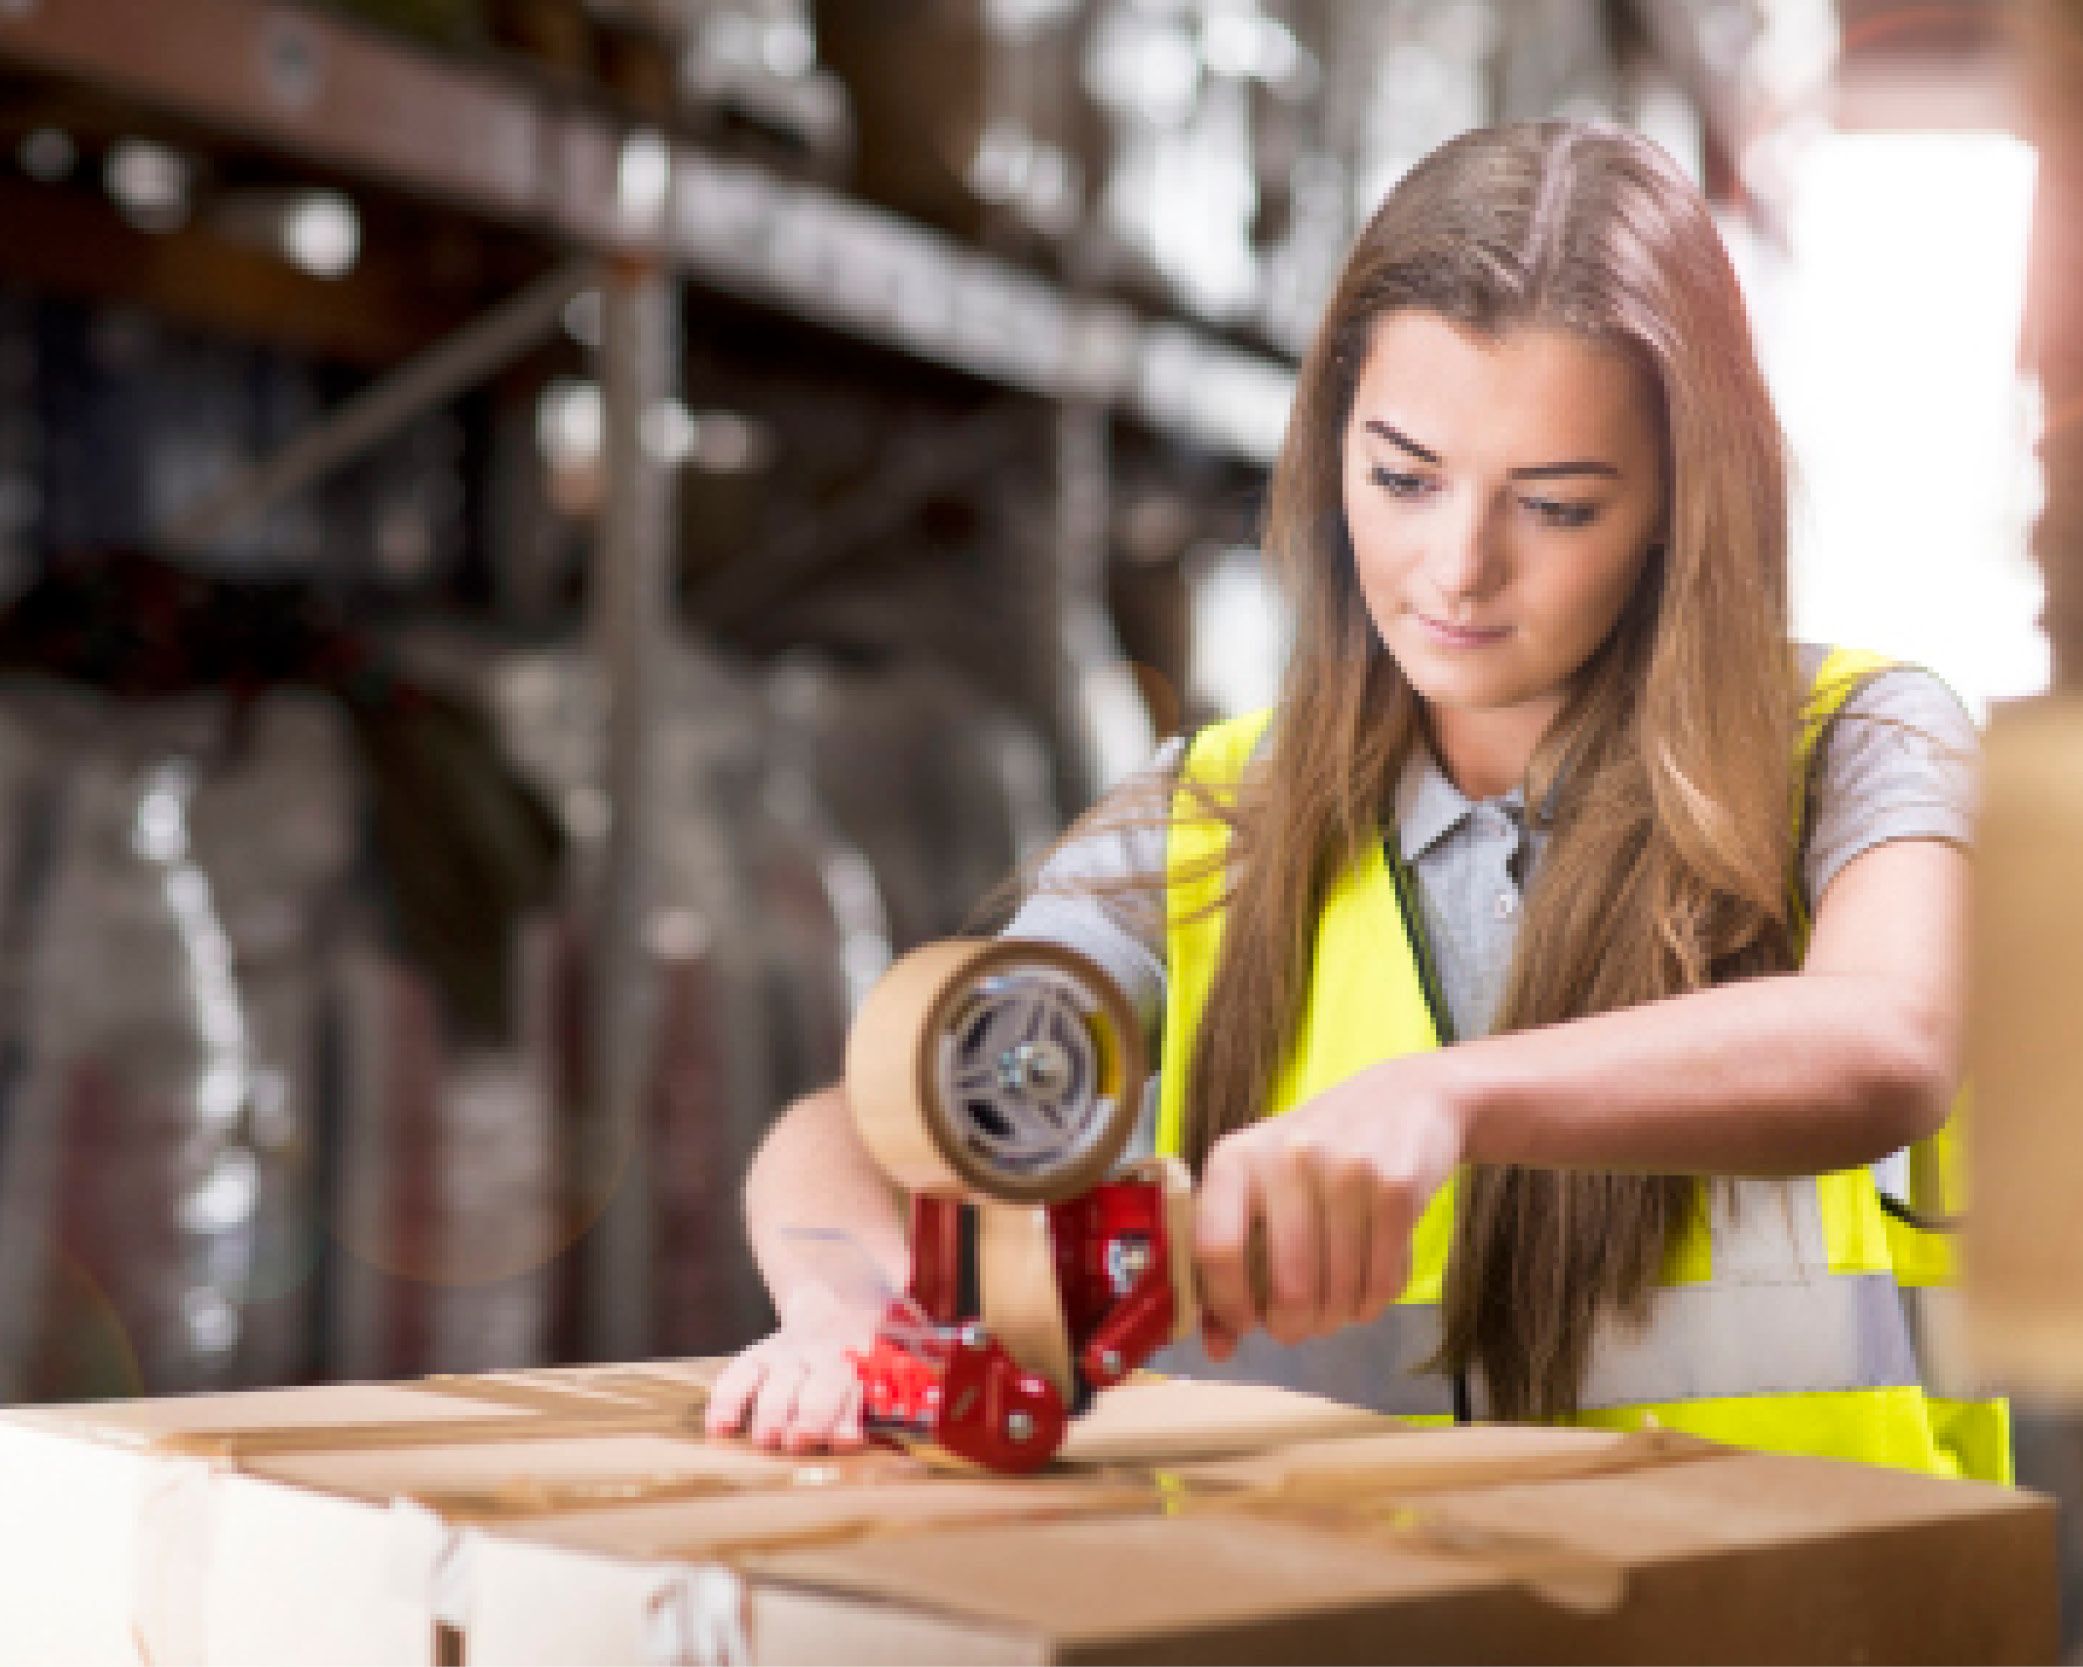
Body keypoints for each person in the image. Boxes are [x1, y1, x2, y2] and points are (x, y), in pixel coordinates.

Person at [704, 118, 2007, 1482]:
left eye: (1555, 506)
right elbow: (865, 1121)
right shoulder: (1204, 822)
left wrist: (1445, 1099)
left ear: (1686, 503)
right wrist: (859, 1315)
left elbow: (1887, 1042)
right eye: (1402, 478)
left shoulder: (1857, 742)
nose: (1456, 569)